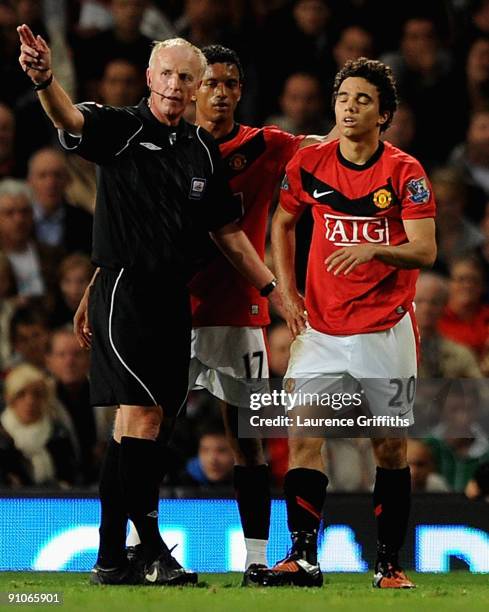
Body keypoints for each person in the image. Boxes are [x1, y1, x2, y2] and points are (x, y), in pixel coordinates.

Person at [18, 25, 285, 586]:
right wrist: (45, 80)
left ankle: (111, 556)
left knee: (134, 429)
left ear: (195, 88)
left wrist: (271, 290)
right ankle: (152, 550)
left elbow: (226, 234)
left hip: (172, 299)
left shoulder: (199, 149)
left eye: (186, 77)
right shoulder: (121, 127)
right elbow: (70, 119)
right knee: (142, 418)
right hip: (125, 293)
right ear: (149, 79)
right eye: (166, 73)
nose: (175, 84)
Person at [250, 58, 437, 589]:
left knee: (389, 447)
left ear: (384, 115)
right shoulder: (310, 163)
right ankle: (303, 557)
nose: (350, 108)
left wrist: (375, 248)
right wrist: (285, 290)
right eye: (343, 98)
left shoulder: (405, 173)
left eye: (363, 100)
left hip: (386, 328)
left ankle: (388, 563)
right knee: (304, 432)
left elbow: (425, 250)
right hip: (323, 330)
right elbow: (282, 221)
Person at [186, 44, 322, 582]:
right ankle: (139, 547)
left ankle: (257, 561)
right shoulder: (169, 145)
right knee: (145, 429)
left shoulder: (266, 145)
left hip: (239, 311)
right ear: (194, 88)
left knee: (247, 436)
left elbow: (324, 148)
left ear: (240, 92)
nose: (220, 92)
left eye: (229, 83)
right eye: (211, 83)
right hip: (169, 308)